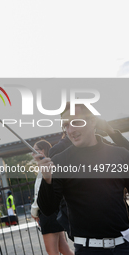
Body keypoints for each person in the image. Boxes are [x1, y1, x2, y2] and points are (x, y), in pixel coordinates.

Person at [35, 102, 129, 254]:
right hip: (87, 249)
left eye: (76, 122)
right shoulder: (60, 160)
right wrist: (47, 180)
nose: (71, 130)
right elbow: (47, 208)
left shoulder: (119, 154)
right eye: (66, 125)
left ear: (93, 121)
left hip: (124, 247)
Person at [31, 139, 73, 255]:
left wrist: (34, 212)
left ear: (43, 151)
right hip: (55, 213)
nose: (32, 154)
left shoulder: (45, 171)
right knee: (64, 249)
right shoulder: (50, 167)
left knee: (52, 252)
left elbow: (39, 194)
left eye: (35, 150)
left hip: (47, 215)